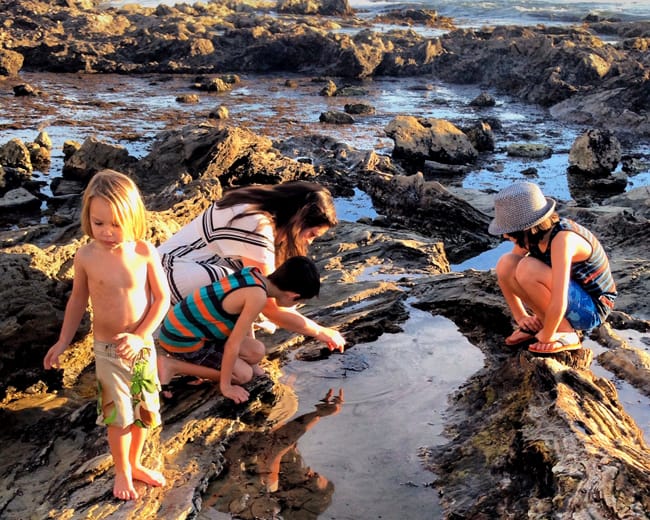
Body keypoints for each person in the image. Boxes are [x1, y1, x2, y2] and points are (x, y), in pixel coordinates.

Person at [43, 169, 171, 501]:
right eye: (99, 224)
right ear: (88, 217)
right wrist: (63, 341)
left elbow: (162, 299)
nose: (108, 232)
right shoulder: (85, 256)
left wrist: (141, 336)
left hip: (141, 348)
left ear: (132, 218)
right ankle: (122, 470)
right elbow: (76, 301)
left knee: (142, 414)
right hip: (109, 350)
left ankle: (136, 462)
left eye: (115, 224)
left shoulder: (144, 252)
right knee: (118, 416)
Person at [157, 181, 345, 351]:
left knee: (248, 293)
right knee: (235, 286)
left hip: (177, 274)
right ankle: (190, 343)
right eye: (311, 234)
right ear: (299, 219)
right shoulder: (255, 224)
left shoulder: (258, 208)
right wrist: (319, 331)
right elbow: (268, 303)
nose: (309, 243)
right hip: (164, 279)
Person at [157, 256, 331, 404]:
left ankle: (189, 364)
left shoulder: (253, 274)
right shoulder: (257, 296)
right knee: (243, 376)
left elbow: (245, 323)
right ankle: (173, 365)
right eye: (297, 303)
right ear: (293, 295)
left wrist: (255, 364)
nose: (295, 305)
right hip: (181, 339)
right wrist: (226, 387)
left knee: (257, 351)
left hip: (186, 326)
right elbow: (233, 344)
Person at [488, 181, 616, 354]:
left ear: (527, 229)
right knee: (506, 262)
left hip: (592, 308)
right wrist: (521, 317)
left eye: (509, 232)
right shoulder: (533, 237)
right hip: (570, 301)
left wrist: (548, 336)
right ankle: (541, 321)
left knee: (527, 268)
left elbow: (559, 296)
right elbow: (506, 271)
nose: (505, 235)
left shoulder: (563, 239)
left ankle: (566, 332)